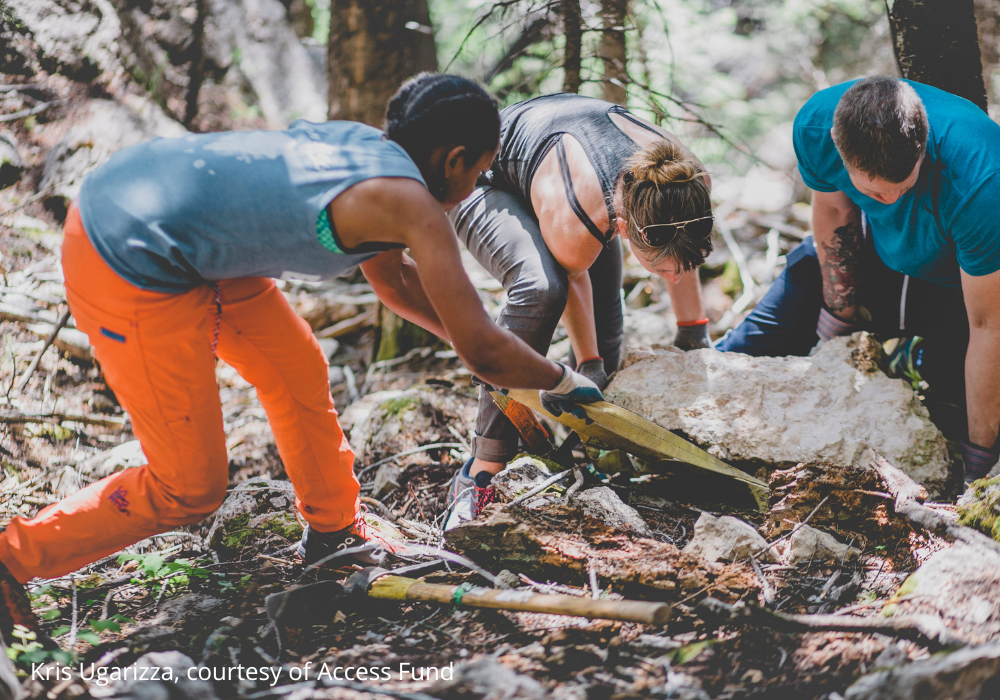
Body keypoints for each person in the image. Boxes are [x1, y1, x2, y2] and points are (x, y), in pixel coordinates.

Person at [0, 74, 604, 640]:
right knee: (188, 487)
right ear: (452, 160)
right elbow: (480, 348)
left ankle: (334, 531)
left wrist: (488, 345)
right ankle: (11, 559)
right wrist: (559, 379)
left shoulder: (374, 154)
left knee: (294, 368)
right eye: (478, 170)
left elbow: (396, 286)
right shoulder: (411, 204)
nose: (475, 186)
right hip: (126, 253)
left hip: (179, 230)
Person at [428, 93, 715, 529]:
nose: (673, 278)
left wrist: (693, 334)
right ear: (621, 228)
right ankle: (478, 471)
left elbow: (683, 248)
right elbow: (573, 279)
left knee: (611, 346)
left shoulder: (689, 184)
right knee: (541, 289)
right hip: (480, 179)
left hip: (567, 176)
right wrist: (588, 364)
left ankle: (584, 452)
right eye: (661, 270)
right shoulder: (579, 220)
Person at [717, 75, 1000, 484]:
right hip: (875, 248)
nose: (889, 199)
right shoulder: (816, 126)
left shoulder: (982, 179)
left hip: (958, 282)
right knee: (754, 346)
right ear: (838, 145)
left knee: (954, 398)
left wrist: (980, 464)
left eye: (903, 187)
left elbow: (988, 326)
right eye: (874, 191)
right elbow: (834, 214)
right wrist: (840, 319)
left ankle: (911, 360)